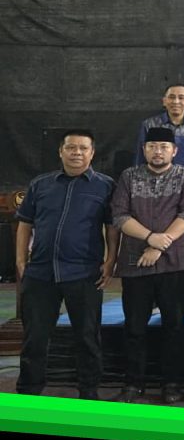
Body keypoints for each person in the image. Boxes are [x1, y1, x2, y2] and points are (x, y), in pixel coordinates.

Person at [15, 129, 117, 400]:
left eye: (83, 148)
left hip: (84, 273)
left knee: (87, 337)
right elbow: (25, 223)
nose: (77, 153)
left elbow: (112, 227)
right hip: (40, 273)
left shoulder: (105, 186)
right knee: (35, 338)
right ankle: (28, 392)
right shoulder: (40, 184)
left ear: (92, 153)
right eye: (71, 147)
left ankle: (89, 393)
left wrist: (110, 261)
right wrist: (21, 260)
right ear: (60, 152)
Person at [111, 127, 184, 404]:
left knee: (174, 327)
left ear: (174, 151)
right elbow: (119, 215)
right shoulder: (129, 176)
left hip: (175, 264)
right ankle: (133, 383)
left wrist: (160, 245)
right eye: (152, 146)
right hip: (135, 262)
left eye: (163, 146)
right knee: (134, 327)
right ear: (144, 150)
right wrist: (151, 238)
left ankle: (171, 384)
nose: (157, 151)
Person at [136, 83, 184, 191]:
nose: (176, 101)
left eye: (181, 98)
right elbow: (140, 159)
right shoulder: (150, 125)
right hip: (155, 187)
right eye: (171, 97)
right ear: (164, 101)